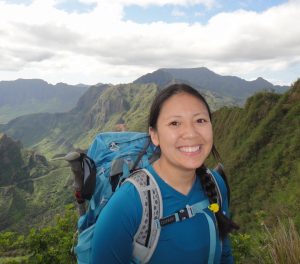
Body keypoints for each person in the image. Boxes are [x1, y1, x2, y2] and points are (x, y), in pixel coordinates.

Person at [91, 83, 238, 263]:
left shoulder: (216, 184)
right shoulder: (127, 205)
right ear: (154, 135)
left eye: (200, 120)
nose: (191, 134)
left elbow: (224, 254)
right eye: (175, 123)